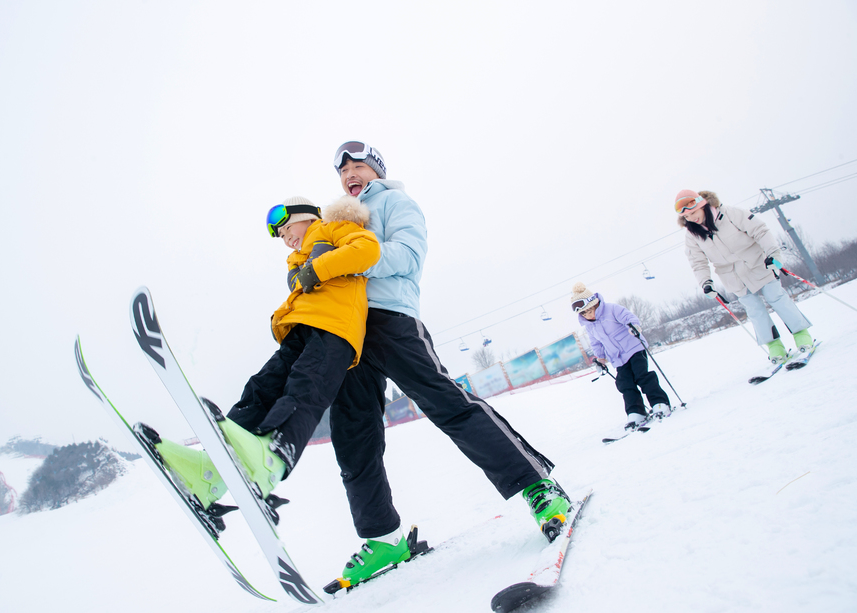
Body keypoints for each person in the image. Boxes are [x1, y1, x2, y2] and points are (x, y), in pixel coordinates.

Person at [324, 141, 571, 588]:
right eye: (342, 172)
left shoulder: (395, 202)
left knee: (448, 405)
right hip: (347, 330)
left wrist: (353, 258)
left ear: (376, 170)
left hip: (391, 318)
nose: (349, 176)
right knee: (353, 434)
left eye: (357, 166)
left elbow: (408, 257)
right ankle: (383, 537)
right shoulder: (339, 219)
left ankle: (538, 486)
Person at [140, 195, 380, 531]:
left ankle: (272, 461)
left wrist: (315, 269)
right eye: (280, 236)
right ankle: (209, 474)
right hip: (302, 330)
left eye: (287, 227)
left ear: (309, 217)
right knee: (260, 388)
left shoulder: (335, 228)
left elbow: (367, 251)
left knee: (305, 390)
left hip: (336, 330)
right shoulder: (297, 261)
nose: (286, 237)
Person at [676, 189, 814, 365]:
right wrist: (706, 283)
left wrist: (774, 255)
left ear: (702, 205)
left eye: (693, 212)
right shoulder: (692, 235)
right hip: (734, 278)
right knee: (755, 311)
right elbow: (697, 262)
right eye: (686, 217)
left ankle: (802, 335)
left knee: (777, 298)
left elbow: (761, 231)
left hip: (758, 265)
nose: (691, 218)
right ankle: (775, 347)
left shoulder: (731, 214)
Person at [571, 281, 671, 430]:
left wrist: (634, 327)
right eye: (583, 313)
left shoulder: (611, 309)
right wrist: (601, 358)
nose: (588, 315)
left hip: (633, 348)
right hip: (617, 358)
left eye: (589, 310)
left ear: (595, 304)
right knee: (625, 385)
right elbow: (596, 343)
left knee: (642, 377)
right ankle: (636, 413)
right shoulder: (589, 325)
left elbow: (628, 317)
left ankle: (659, 404)